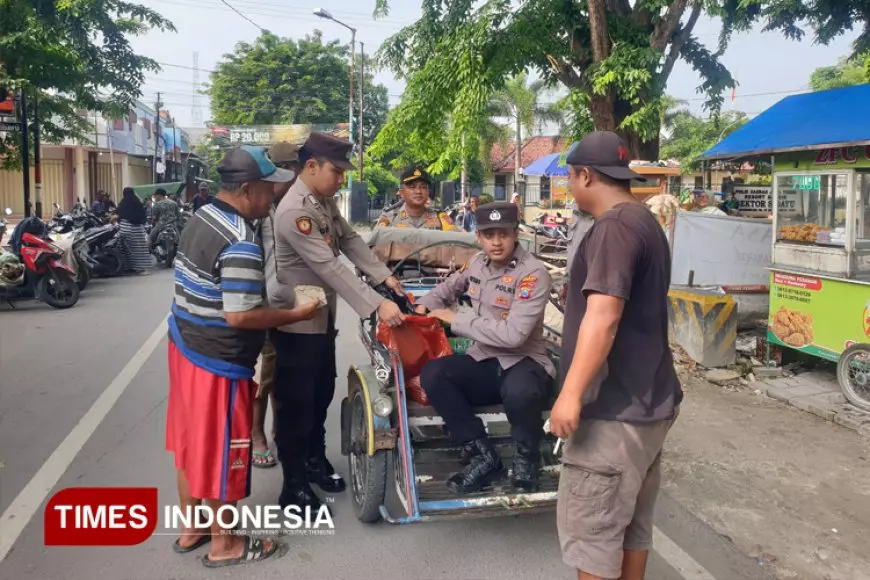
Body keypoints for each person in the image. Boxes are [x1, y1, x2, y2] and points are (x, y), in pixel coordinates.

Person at [165, 145, 318, 567]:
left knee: (190, 442)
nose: (273, 200)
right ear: (249, 189)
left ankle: (192, 528)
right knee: (222, 448)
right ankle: (225, 543)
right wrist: (296, 313)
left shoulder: (200, 218)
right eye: (270, 190)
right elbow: (240, 315)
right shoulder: (240, 241)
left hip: (184, 344)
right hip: (217, 360)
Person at [549, 132, 682, 580]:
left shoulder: (614, 227)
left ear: (586, 175)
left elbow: (603, 317)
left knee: (595, 538)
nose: (569, 185)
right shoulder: (644, 221)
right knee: (631, 531)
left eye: (570, 177)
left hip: (614, 410)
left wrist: (570, 394)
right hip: (648, 405)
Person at [271, 132, 406, 511]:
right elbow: (329, 267)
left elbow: (350, 241)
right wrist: (378, 304)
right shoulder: (295, 211)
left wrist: (383, 275)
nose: (342, 178)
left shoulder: (323, 200)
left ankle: (313, 459)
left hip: (319, 320)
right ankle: (292, 484)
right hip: (294, 325)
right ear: (311, 166)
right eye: (336, 170)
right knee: (296, 404)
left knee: (320, 394)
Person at [416, 201, 553, 494]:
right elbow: (448, 288)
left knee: (521, 391)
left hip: (524, 360)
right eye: (489, 234)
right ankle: (483, 455)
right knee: (435, 374)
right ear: (478, 237)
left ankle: (527, 457)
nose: (496, 241)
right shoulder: (478, 263)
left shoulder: (533, 273)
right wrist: (423, 305)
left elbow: (514, 336)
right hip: (486, 359)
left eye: (503, 234)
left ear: (516, 234)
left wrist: (456, 319)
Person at [252, 141, 302, 469]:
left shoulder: (300, 205)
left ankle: (278, 427)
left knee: (287, 371)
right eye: (291, 171)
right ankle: (256, 433)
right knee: (266, 371)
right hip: (265, 302)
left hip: (296, 302)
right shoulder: (260, 209)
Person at [375, 167, 455, 229]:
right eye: (412, 187)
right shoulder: (389, 219)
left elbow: (460, 243)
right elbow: (376, 248)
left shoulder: (441, 218)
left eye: (423, 187)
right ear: (402, 193)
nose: (418, 191)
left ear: (428, 192)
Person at [117, 187, 152, 275]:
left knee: (125, 248)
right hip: (137, 229)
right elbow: (142, 215)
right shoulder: (137, 202)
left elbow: (119, 214)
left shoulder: (122, 203)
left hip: (124, 228)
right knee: (140, 249)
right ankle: (142, 268)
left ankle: (129, 267)